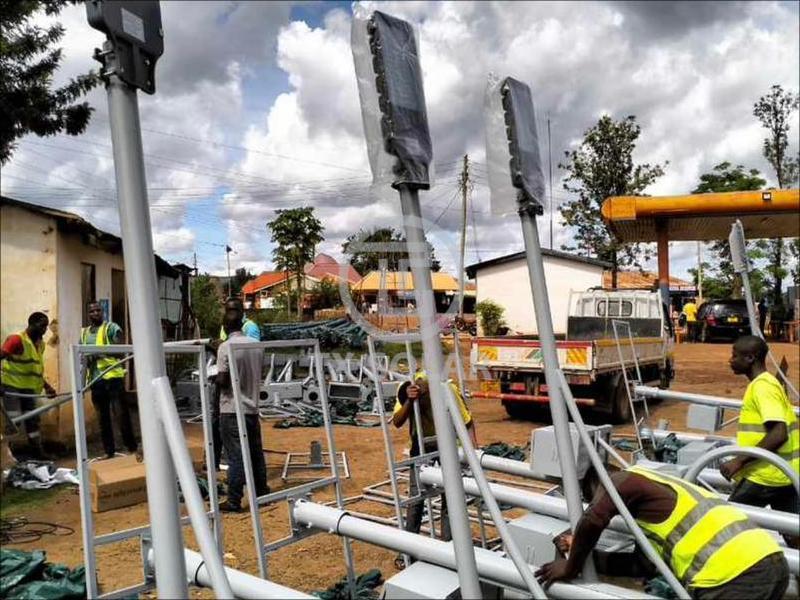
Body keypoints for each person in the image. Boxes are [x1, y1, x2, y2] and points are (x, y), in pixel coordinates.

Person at [536, 465, 789, 600]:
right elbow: (640, 567)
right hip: (771, 564)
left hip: (734, 578)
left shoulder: (620, 481)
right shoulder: (655, 500)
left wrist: (570, 566)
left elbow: (593, 519)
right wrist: (588, 557)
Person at [722, 335, 799, 545]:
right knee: (794, 532)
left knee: (727, 527)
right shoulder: (765, 384)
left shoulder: (763, 388)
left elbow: (778, 433)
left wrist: (738, 461)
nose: (730, 360)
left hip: (764, 476)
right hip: (781, 473)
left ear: (750, 358)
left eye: (734, 355)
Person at [392, 372, 477, 543]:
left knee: (450, 496)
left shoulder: (449, 389)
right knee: (416, 498)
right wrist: (410, 400)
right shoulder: (406, 388)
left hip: (447, 445)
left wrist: (474, 452)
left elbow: (467, 421)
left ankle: (450, 545)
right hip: (420, 446)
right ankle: (410, 548)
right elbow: (397, 421)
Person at [216, 311, 268, 512]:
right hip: (252, 407)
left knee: (235, 455)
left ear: (225, 327)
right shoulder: (256, 345)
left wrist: (213, 379)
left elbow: (224, 380)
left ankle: (234, 500)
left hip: (232, 408)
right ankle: (262, 492)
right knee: (255, 453)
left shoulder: (225, 347)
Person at [211, 297, 260, 471]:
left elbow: (247, 354)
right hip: (226, 383)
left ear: (241, 311)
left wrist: (221, 348)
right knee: (216, 423)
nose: (230, 312)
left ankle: (241, 479)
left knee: (241, 445)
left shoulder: (250, 328)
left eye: (234, 309)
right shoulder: (227, 325)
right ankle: (213, 462)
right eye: (228, 309)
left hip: (239, 386)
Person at [1, 312, 56, 458]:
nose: (45, 330)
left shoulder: (40, 344)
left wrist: (47, 386)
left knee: (33, 421)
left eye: (46, 326)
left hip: (28, 389)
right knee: (14, 421)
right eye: (42, 325)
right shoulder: (16, 340)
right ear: (32, 324)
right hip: (11, 388)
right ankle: (6, 456)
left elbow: (34, 369)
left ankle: (38, 453)